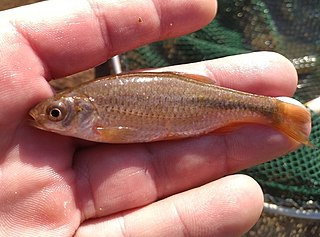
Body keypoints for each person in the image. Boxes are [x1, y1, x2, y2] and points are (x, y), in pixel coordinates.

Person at [0, 0, 310, 236]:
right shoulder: (93, 114)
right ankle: (273, 112)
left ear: (82, 110)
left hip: (195, 107)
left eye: (56, 114)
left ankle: (273, 112)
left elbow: (118, 133)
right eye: (55, 114)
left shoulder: (97, 120)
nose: (49, 119)